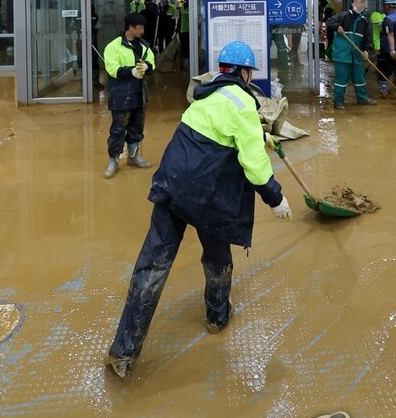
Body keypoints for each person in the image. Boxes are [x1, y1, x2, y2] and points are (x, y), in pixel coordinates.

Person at [106, 40, 291, 378]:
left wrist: (256, 134)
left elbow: (218, 133)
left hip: (171, 186)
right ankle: (217, 317)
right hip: (208, 197)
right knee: (217, 258)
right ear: (246, 73)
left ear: (222, 71)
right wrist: (275, 197)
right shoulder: (244, 104)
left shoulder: (204, 97)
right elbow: (253, 164)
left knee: (151, 267)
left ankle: (123, 352)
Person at [103, 13, 156, 179]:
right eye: (140, 27)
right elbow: (112, 69)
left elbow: (152, 63)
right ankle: (113, 160)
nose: (143, 30)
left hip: (139, 94)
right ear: (131, 28)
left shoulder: (145, 46)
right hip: (120, 94)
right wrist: (130, 71)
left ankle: (134, 158)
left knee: (136, 126)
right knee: (118, 128)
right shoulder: (113, 46)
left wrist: (147, 67)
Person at [326, 0, 376, 110]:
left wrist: (366, 50)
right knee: (341, 80)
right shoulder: (343, 16)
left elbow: (368, 38)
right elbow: (330, 21)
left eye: (362, 3)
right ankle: (338, 102)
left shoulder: (365, 21)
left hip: (356, 54)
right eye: (357, 3)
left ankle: (363, 98)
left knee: (360, 78)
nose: (360, 5)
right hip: (342, 54)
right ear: (352, 4)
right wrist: (337, 26)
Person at [177, 0, 190, 69]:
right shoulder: (192, 8)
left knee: (184, 48)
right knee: (188, 48)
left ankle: (185, 64)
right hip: (189, 31)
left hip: (182, 31)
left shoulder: (182, 8)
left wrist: (177, 29)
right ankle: (188, 64)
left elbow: (180, 19)